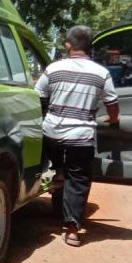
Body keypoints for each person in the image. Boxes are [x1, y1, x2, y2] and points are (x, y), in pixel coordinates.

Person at [35, 26, 120, 247]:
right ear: (91, 47)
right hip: (81, 136)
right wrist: (113, 121)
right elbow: (112, 103)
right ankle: (72, 230)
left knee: (56, 155)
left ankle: (59, 170)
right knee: (79, 179)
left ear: (68, 46)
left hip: (52, 133)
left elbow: (38, 96)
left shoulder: (54, 69)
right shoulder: (101, 73)